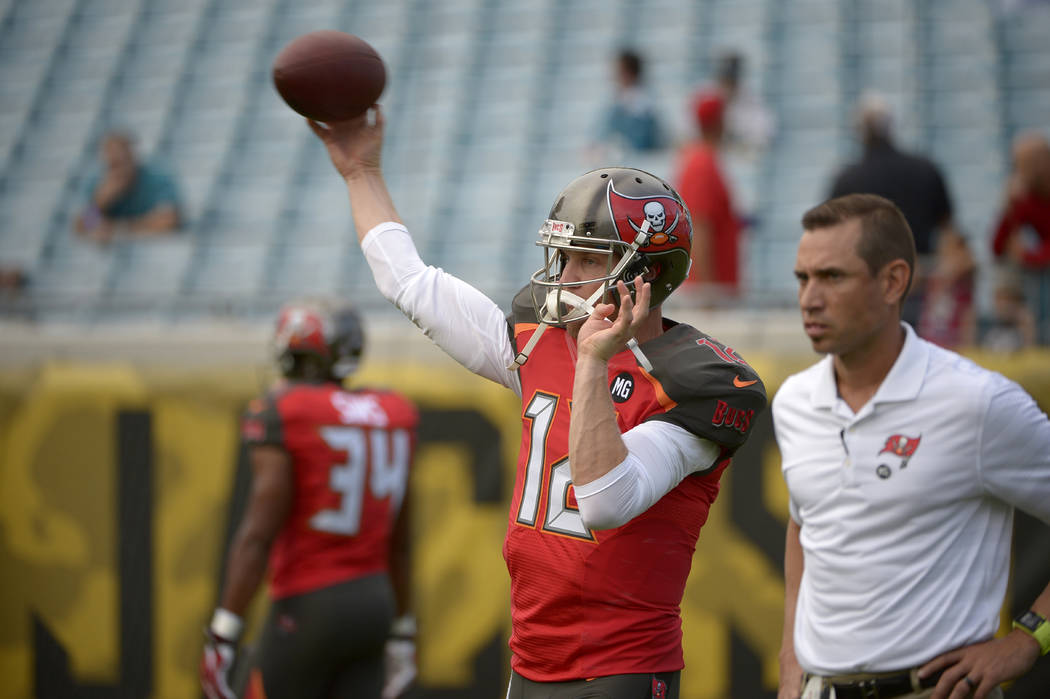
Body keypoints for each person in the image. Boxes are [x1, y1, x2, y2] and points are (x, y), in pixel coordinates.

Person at [308, 107, 766, 698]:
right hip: (530, 658)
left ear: (645, 274)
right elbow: (410, 283)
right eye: (564, 255)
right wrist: (360, 172)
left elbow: (605, 500)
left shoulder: (694, 379)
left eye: (588, 259)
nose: (565, 274)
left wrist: (596, 361)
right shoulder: (541, 339)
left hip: (620, 668)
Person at [774, 194, 1050, 699]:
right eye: (802, 278)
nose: (809, 298)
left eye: (832, 277)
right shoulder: (793, 400)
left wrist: (1030, 638)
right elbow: (804, 525)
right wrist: (790, 659)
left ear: (893, 281)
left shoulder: (979, 404)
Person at [199, 299, 419, 699]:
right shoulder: (393, 412)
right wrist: (403, 630)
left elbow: (257, 535)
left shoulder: (288, 410)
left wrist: (223, 632)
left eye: (299, 361)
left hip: (307, 607)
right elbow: (399, 544)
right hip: (375, 607)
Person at [829, 92, 959, 327]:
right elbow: (948, 228)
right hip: (920, 278)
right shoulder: (926, 169)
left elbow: (833, 238)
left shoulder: (846, 179)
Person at [675, 91, 744, 298]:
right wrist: (707, 292)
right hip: (710, 292)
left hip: (715, 288)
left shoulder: (701, 159)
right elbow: (700, 228)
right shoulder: (702, 164)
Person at [990, 131, 1050, 345]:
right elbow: (998, 247)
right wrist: (1009, 206)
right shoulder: (1026, 196)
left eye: (1023, 163)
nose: (1017, 170)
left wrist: (1029, 257)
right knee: (1007, 270)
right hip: (1039, 270)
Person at [74, 131, 182, 244]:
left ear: (132, 158)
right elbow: (81, 228)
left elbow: (168, 221)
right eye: (112, 165)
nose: (118, 172)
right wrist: (99, 203)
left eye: (121, 162)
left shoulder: (157, 178)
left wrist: (118, 229)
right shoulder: (97, 185)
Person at [594, 49, 665, 154]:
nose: (614, 77)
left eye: (619, 72)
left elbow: (650, 141)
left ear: (630, 73)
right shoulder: (614, 101)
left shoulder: (647, 105)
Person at [916, 228, 976, 350]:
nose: (944, 252)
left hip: (954, 341)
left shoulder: (965, 271)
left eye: (949, 248)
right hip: (931, 337)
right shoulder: (935, 272)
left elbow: (968, 264)